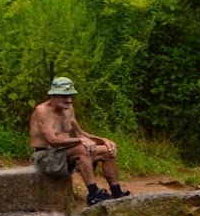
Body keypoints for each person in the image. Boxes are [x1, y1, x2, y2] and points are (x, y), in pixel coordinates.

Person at [30, 77, 129, 206]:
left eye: (71, 96)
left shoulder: (68, 109)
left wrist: (104, 140)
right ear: (53, 95)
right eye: (65, 96)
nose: (69, 100)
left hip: (66, 154)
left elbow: (80, 133)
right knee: (82, 149)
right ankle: (93, 194)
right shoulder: (42, 111)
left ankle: (117, 193)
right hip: (46, 157)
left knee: (107, 151)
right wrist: (80, 141)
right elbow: (52, 140)